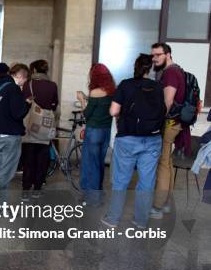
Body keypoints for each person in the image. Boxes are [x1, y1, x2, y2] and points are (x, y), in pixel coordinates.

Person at [101, 54, 165, 229]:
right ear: (150, 69)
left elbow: (113, 111)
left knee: (121, 180)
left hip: (128, 138)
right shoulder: (158, 87)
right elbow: (164, 110)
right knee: (147, 181)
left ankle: (113, 219)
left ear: (135, 67)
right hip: (153, 138)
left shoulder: (126, 85)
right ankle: (141, 221)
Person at [150, 42, 187, 220]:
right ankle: (165, 204)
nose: (154, 58)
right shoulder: (177, 70)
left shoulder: (171, 73)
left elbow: (168, 101)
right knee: (168, 162)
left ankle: (157, 207)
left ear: (168, 55)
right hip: (176, 122)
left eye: (158, 55)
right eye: (153, 55)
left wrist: (156, 121)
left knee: (163, 163)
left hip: (169, 122)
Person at [0, 62, 32, 200]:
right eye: (25, 80)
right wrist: (27, 104)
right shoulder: (13, 88)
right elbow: (17, 113)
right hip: (10, 135)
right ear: (20, 76)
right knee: (6, 173)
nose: (23, 83)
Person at [77, 63, 116, 205]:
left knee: (89, 163)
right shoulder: (112, 91)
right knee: (98, 163)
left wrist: (82, 100)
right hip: (106, 131)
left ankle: (91, 197)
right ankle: (97, 193)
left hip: (93, 131)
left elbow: (87, 114)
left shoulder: (95, 92)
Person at [21, 60, 58, 198]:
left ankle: (25, 191)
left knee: (28, 159)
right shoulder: (53, 85)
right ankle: (37, 188)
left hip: (30, 126)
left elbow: (23, 104)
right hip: (45, 127)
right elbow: (55, 105)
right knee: (42, 159)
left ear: (35, 70)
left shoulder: (28, 84)